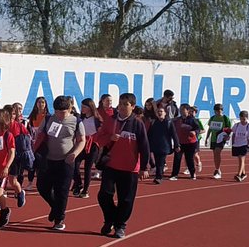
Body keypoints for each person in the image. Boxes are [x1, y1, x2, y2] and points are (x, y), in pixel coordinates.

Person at [97, 93, 151, 239]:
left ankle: (120, 225)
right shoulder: (110, 121)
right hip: (111, 164)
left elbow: (144, 147)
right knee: (104, 195)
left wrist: (144, 167)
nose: (121, 107)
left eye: (125, 104)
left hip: (130, 168)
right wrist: (110, 137)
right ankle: (110, 219)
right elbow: (98, 138)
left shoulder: (137, 124)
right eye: (120, 103)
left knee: (126, 199)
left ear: (132, 107)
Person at [33, 95, 85, 231]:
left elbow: (81, 140)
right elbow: (40, 136)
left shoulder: (77, 121)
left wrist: (74, 153)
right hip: (48, 161)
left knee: (61, 191)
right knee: (42, 187)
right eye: (57, 112)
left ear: (70, 109)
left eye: (63, 112)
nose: (60, 115)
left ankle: (59, 219)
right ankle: (56, 208)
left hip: (66, 161)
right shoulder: (48, 119)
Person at [72, 98, 100, 198]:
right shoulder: (80, 118)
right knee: (74, 164)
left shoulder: (97, 119)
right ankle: (78, 184)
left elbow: (101, 132)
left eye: (84, 107)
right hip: (81, 144)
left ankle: (85, 190)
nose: (82, 108)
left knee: (88, 167)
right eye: (82, 106)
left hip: (93, 145)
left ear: (90, 107)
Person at [7, 102, 31, 210]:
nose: (10, 116)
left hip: (15, 156)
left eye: (12, 114)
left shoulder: (19, 126)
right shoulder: (0, 125)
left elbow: (27, 139)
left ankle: (20, 192)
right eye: (8, 114)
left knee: (12, 180)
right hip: (2, 156)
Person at [145, 105, 178, 184]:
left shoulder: (169, 122)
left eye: (161, 111)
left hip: (165, 145)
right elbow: (149, 134)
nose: (159, 113)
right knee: (157, 162)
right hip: (155, 145)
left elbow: (174, 134)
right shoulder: (153, 122)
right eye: (158, 112)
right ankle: (159, 175)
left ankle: (158, 177)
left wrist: (177, 145)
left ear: (165, 113)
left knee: (161, 161)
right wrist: (147, 144)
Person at [170, 104, 202, 181]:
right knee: (177, 159)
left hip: (190, 143)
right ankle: (174, 174)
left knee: (189, 159)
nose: (181, 111)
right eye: (180, 109)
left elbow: (198, 129)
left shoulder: (192, 120)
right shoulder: (176, 120)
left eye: (183, 109)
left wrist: (195, 132)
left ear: (187, 110)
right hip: (179, 142)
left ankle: (192, 173)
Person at [25, 96, 50, 189]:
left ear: (45, 104)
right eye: (39, 102)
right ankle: (30, 182)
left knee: (41, 163)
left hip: (43, 143)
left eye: (43, 102)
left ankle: (41, 182)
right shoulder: (32, 116)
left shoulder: (48, 117)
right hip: (32, 142)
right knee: (32, 163)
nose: (41, 104)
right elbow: (29, 129)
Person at [205, 103, 232, 179]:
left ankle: (217, 170)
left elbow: (229, 129)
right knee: (215, 155)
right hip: (213, 138)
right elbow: (210, 129)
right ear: (214, 111)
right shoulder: (212, 118)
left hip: (221, 139)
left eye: (220, 110)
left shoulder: (225, 118)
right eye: (217, 110)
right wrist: (207, 138)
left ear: (222, 110)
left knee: (217, 152)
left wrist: (227, 136)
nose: (219, 112)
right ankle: (218, 169)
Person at [230, 110, 249, 181]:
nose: (242, 120)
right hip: (237, 144)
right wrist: (233, 142)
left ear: (247, 118)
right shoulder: (237, 125)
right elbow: (233, 133)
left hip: (244, 144)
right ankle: (244, 173)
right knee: (240, 159)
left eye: (244, 119)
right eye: (241, 118)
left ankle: (239, 175)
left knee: (241, 159)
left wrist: (248, 144)